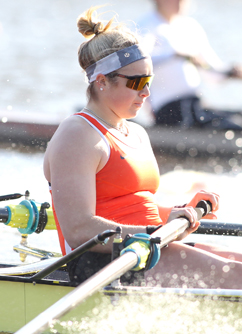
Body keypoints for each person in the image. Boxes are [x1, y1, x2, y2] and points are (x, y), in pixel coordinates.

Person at [44, 6, 242, 289]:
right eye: (136, 83)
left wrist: (176, 213)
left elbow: (135, 206)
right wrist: (154, 231)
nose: (146, 93)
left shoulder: (136, 132)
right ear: (101, 82)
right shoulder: (77, 135)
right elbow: (79, 230)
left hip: (147, 246)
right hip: (105, 263)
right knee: (236, 275)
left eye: (148, 81)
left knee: (238, 262)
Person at [136, 0, 242, 130]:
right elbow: (137, 63)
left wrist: (231, 72)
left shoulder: (191, 27)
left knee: (238, 119)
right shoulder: (145, 26)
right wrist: (173, 55)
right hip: (169, 110)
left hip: (196, 104)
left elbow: (213, 76)